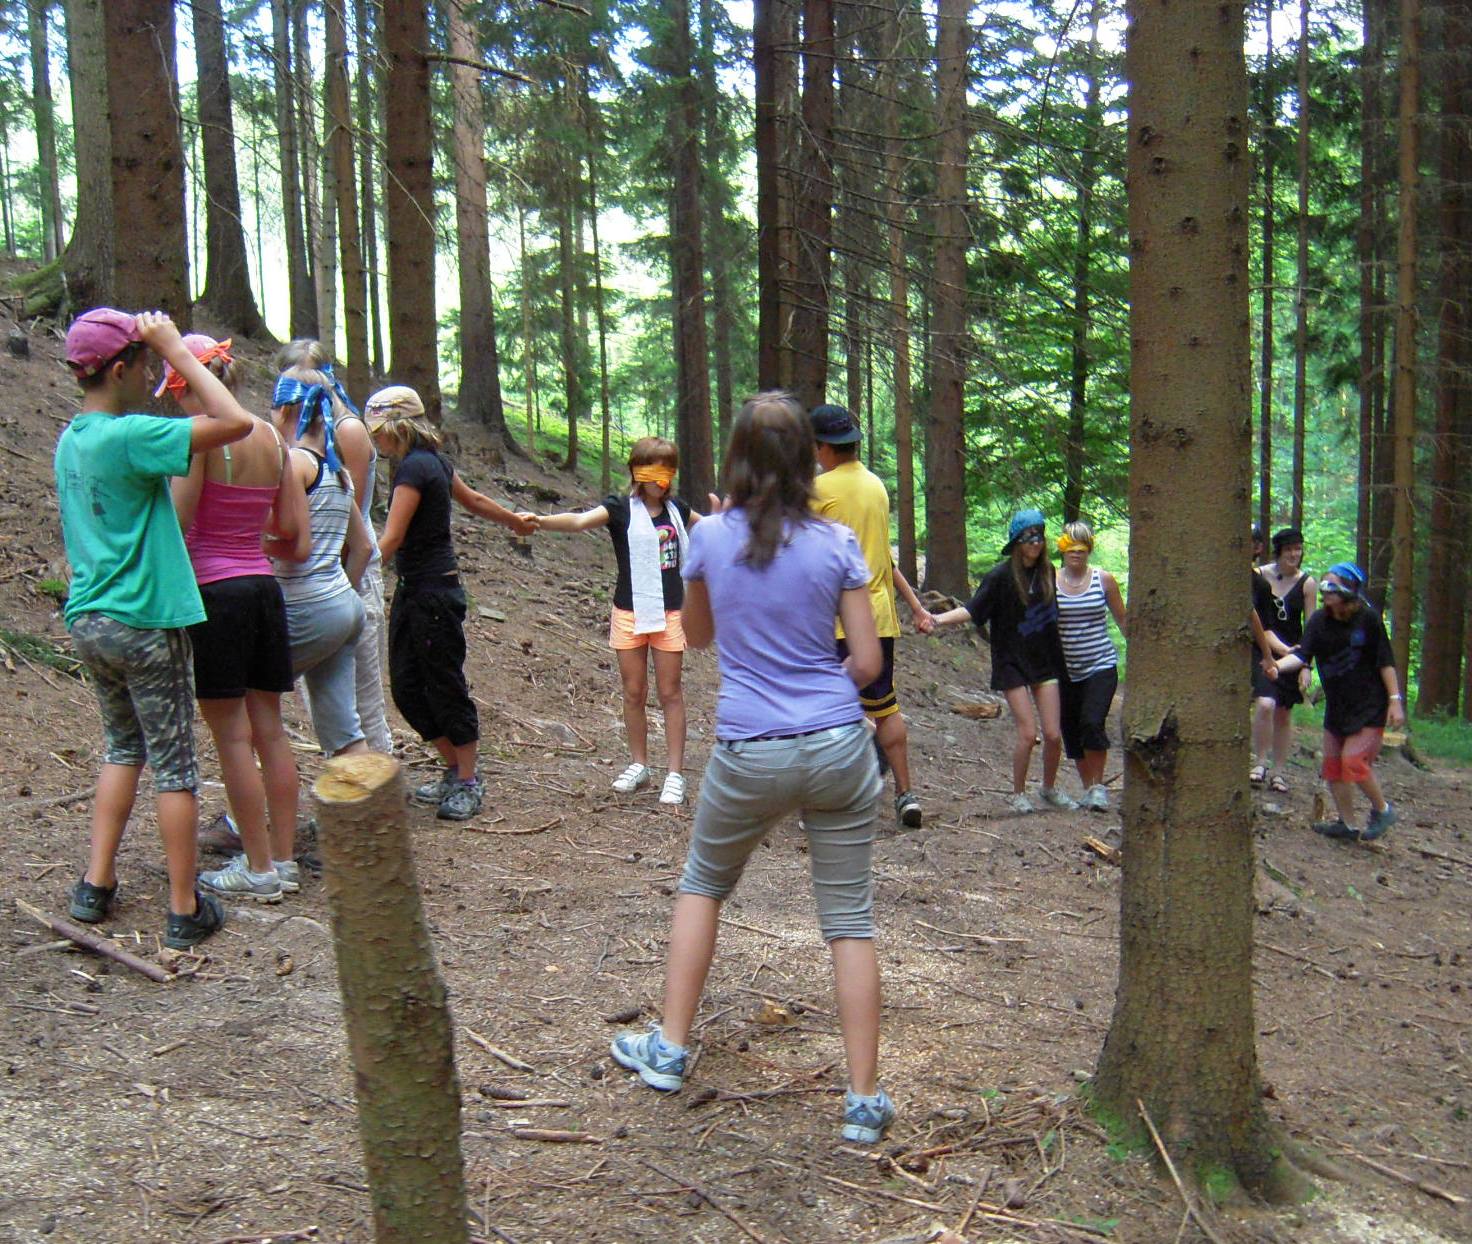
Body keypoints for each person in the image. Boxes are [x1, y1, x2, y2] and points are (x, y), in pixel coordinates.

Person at [609, 392, 894, 1146]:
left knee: (703, 884)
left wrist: (715, 549)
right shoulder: (836, 543)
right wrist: (824, 688)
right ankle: (864, 1100)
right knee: (850, 920)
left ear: (736, 459)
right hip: (837, 744)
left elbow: (699, 636)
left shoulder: (707, 536)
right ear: (806, 462)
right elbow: (868, 663)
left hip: (749, 746)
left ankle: (669, 1050)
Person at [56, 309, 253, 949]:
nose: (154, 377)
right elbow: (236, 421)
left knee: (122, 747)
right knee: (175, 766)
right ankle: (182, 908)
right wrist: (178, 347)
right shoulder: (130, 435)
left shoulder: (73, 439)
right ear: (120, 370)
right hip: (144, 620)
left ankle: (95, 885)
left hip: (91, 620)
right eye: (147, 366)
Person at [160, 335, 310, 904]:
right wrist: (248, 538)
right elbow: (290, 531)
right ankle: (284, 860)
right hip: (264, 589)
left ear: (185, 386)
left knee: (232, 738)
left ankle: (258, 867)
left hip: (215, 594)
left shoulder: (201, 438)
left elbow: (179, 522)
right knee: (270, 730)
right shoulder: (272, 437)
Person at [368, 387, 536, 820]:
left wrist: (350, 576)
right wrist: (513, 519)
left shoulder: (416, 466)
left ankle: (468, 779)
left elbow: (392, 536)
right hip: (414, 590)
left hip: (433, 595)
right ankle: (454, 768)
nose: (375, 438)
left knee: (444, 685)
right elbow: (474, 501)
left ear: (397, 426)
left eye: (378, 430)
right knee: (406, 688)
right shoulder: (432, 463)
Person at [531, 438, 700, 806]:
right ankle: (639, 763)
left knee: (670, 692)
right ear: (637, 472)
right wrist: (539, 521)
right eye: (654, 469)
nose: (662, 479)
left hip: (671, 611)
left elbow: (713, 529)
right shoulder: (620, 508)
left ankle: (675, 772)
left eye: (668, 469)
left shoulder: (678, 511)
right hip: (629, 612)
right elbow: (579, 521)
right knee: (633, 691)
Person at [809, 404, 935, 829]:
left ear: (823, 447)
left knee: (824, 710)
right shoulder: (876, 487)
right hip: (878, 618)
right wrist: (914, 606)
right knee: (885, 706)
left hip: (835, 619)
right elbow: (883, 558)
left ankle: (832, 802)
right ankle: (905, 794)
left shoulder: (818, 490)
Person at [273, 341, 393, 753]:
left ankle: (379, 784)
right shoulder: (318, 452)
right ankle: (356, 788)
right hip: (332, 585)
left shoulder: (343, 434)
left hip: (334, 583)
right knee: (336, 716)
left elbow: (340, 525)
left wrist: (341, 588)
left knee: (362, 707)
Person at [930, 509, 1077, 813]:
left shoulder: (1048, 572)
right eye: (1028, 538)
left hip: (1045, 661)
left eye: (1039, 536)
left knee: (1053, 734)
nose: (1035, 543)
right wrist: (937, 620)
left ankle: (1048, 788)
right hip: (1011, 663)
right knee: (1028, 733)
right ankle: (1018, 793)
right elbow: (973, 610)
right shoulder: (999, 577)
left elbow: (1055, 618)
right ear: (1017, 542)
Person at [1265, 563, 1403, 842]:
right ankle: (1347, 825)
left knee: (1353, 761)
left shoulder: (1368, 619)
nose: (1325, 591)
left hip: (1369, 706)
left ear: (1349, 590)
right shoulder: (1318, 621)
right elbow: (1302, 655)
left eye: (1332, 586)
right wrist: (1277, 666)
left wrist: (1394, 700)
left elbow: (1385, 661)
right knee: (1333, 767)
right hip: (1338, 707)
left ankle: (1383, 810)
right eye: (1324, 585)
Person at [1053, 521, 1127, 811]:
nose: (1076, 552)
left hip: (1100, 664)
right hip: (1064, 668)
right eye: (1071, 546)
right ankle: (1089, 789)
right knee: (1071, 730)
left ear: (1089, 550)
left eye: (1082, 547)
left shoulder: (1104, 580)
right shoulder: (1050, 580)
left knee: (1092, 722)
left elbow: (1123, 621)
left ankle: (1098, 788)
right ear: (1062, 549)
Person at [1251, 527, 1317, 791]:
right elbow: (1256, 620)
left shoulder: (1307, 584)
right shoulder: (1259, 576)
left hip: (1293, 653)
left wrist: (1306, 664)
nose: (1294, 554)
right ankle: (1260, 762)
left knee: (1283, 713)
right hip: (1263, 650)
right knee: (1265, 704)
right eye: (1289, 549)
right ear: (1278, 551)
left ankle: (1278, 772)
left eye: (1298, 549)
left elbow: (1312, 628)